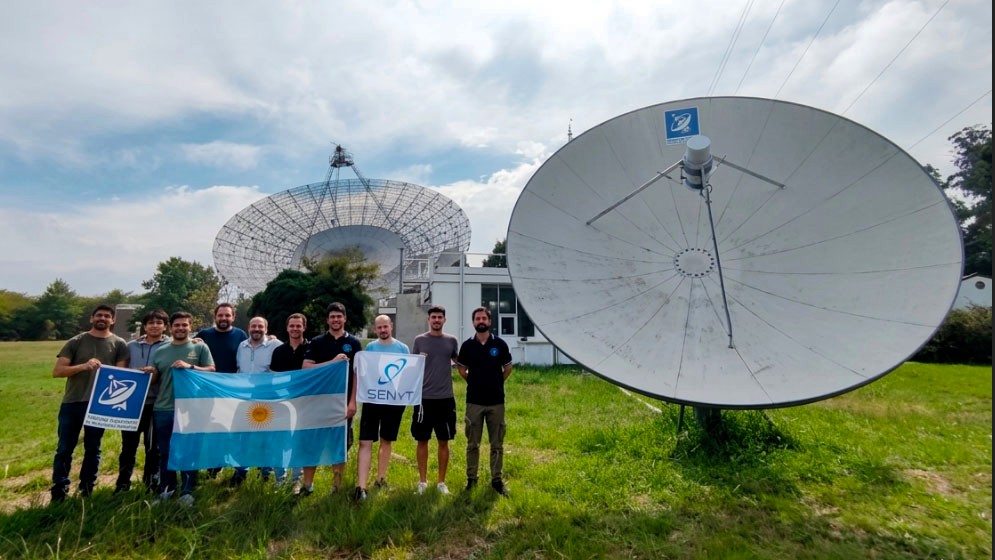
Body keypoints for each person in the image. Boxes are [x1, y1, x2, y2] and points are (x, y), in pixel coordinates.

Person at [50, 305, 130, 503]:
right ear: (92, 318)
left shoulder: (119, 344)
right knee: (64, 448)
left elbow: (122, 374)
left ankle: (87, 489)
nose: (102, 318)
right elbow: (58, 371)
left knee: (93, 448)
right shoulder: (76, 341)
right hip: (73, 402)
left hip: (99, 406)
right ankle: (59, 490)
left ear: (113, 320)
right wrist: (84, 366)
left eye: (107, 316)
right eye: (99, 315)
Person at [151, 311, 215, 506]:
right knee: (165, 451)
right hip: (164, 407)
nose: (181, 328)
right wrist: (150, 373)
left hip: (191, 407)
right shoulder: (160, 350)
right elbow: (156, 377)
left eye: (184, 325)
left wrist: (190, 367)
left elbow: (211, 370)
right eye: (177, 325)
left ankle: (187, 491)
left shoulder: (200, 347)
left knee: (189, 449)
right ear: (171, 328)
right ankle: (167, 489)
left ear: (190, 326)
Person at [300, 302, 360, 496]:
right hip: (317, 401)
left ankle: (337, 487)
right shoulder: (317, 342)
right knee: (312, 443)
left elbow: (357, 375)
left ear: (345, 319)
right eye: (332, 317)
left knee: (339, 445)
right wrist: (332, 363)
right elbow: (306, 368)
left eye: (339, 316)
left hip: (342, 403)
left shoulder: (354, 343)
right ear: (327, 320)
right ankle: (307, 486)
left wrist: (353, 402)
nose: (336, 320)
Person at [456, 306, 513, 496]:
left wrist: (496, 382)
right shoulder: (467, 346)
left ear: (490, 321)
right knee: (473, 444)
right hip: (474, 402)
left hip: (496, 402)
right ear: (473, 322)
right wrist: (473, 382)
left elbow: (508, 368)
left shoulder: (500, 344)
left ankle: (497, 481)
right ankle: (471, 479)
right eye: (477, 319)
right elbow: (461, 369)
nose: (481, 321)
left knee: (497, 444)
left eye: (484, 318)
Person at [354, 315, 410, 502]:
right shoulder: (370, 348)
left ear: (391, 326)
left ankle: (381, 479)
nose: (383, 330)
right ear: (375, 329)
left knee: (386, 440)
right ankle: (361, 486)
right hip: (372, 401)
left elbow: (408, 374)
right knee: (365, 441)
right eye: (379, 327)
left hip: (393, 402)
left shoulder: (403, 348)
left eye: (385, 326)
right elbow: (364, 373)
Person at [115, 308, 169, 493]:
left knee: (153, 447)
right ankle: (123, 483)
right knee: (128, 446)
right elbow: (120, 370)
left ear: (165, 326)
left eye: (159, 323)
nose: (155, 326)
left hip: (156, 403)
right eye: (151, 323)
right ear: (145, 326)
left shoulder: (170, 346)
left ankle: (151, 482)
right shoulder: (131, 346)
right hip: (132, 403)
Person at [195, 302, 247, 481]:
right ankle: (213, 466)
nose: (224, 318)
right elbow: (187, 348)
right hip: (207, 392)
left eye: (227, 315)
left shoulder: (240, 335)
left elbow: (253, 347)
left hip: (231, 393)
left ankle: (238, 469)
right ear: (215, 317)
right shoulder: (204, 335)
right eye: (220, 315)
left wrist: (269, 338)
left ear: (233, 317)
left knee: (231, 431)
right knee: (210, 431)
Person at [410, 305, 459, 495]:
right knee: (422, 440)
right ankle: (422, 482)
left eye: (440, 317)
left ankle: (441, 482)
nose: (436, 320)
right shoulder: (420, 340)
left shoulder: (451, 341)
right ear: (428, 320)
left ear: (444, 320)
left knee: (443, 441)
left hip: (445, 399)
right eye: (433, 317)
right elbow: (411, 367)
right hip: (423, 399)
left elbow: (460, 363)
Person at [234, 316, 283, 483]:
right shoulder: (242, 346)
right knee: (243, 436)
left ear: (266, 329)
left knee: (266, 438)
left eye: (260, 326)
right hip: (245, 399)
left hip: (267, 399)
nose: (256, 329)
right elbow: (239, 370)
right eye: (253, 326)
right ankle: (241, 471)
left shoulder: (276, 345)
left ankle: (266, 472)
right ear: (249, 328)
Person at [269, 313, 310, 486]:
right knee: (279, 440)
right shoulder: (279, 351)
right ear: (287, 328)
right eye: (292, 326)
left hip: (304, 404)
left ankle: (296, 480)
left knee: (299, 441)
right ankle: (280, 479)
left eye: (298, 326)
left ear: (304, 327)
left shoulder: (312, 349)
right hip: (282, 403)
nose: (295, 329)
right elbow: (273, 378)